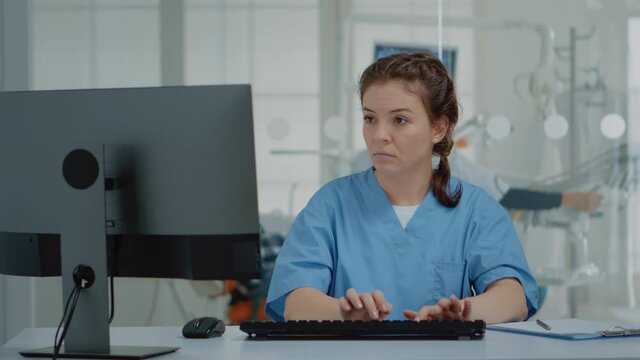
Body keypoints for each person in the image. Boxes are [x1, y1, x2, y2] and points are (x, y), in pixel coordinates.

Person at [265, 52, 539, 324]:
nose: (379, 135)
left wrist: (464, 312)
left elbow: (513, 297)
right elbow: (295, 301)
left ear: (439, 128)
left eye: (399, 120)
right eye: (370, 118)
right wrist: (344, 313)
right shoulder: (330, 205)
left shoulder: (476, 210)